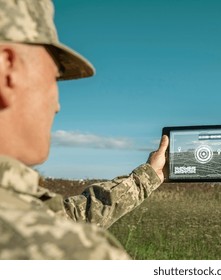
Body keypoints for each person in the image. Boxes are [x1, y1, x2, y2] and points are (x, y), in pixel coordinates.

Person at [0, 0, 169, 259]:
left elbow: (68, 217)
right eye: (54, 78)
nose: (57, 105)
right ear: (6, 70)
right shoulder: (72, 254)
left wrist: (147, 176)